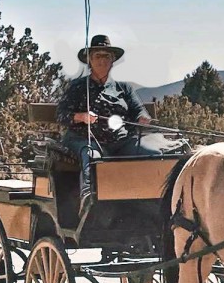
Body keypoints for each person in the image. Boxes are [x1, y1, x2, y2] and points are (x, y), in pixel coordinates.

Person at [56, 34, 172, 209]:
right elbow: (61, 114)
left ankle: (157, 201)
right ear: (89, 60)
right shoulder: (77, 87)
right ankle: (88, 201)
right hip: (85, 139)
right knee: (92, 156)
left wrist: (143, 119)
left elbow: (139, 110)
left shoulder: (124, 88)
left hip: (121, 141)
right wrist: (81, 117)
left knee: (154, 154)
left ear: (112, 61)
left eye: (106, 56)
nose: (102, 60)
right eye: (98, 56)